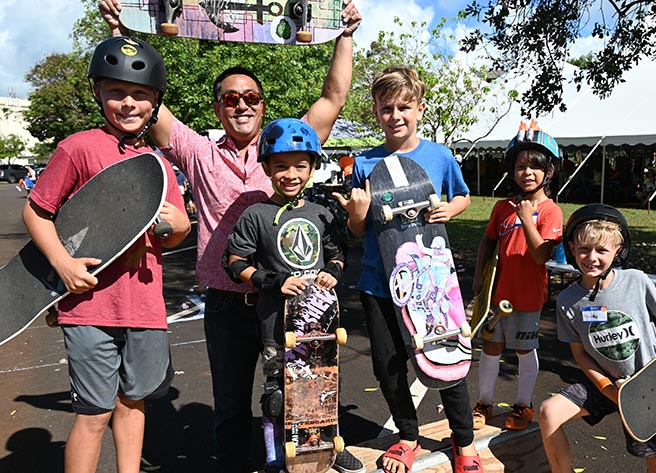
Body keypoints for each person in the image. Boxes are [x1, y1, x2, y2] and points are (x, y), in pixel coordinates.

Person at [98, 2, 363, 472]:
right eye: (231, 98)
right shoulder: (198, 152)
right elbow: (150, 102)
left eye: (251, 98)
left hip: (290, 299)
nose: (242, 104)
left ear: (262, 105)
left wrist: (343, 33)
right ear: (218, 107)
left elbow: (332, 99)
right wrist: (125, 32)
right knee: (231, 404)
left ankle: (314, 460)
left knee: (302, 392)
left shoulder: (286, 148)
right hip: (225, 300)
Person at [21, 36, 191, 473]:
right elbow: (37, 212)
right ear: (98, 92)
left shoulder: (158, 162)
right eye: (116, 92)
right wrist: (62, 263)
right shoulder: (77, 148)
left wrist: (177, 226)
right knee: (94, 412)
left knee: (134, 402)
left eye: (140, 94)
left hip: (146, 306)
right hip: (90, 306)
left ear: (155, 101)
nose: (128, 103)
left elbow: (176, 232)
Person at [334, 67, 483, 473]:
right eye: (386, 108)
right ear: (376, 113)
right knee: (388, 364)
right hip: (378, 283)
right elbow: (357, 228)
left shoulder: (439, 156)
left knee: (447, 353)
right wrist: (358, 216)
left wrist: (450, 208)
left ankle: (464, 440)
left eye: (404, 107)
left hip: (431, 282)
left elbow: (464, 196)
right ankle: (407, 435)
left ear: (419, 108)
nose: (395, 115)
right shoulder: (364, 164)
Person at [538, 204, 656, 473]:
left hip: (650, 383)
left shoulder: (636, 281)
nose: (591, 257)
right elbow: (581, 353)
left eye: (602, 250)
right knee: (549, 412)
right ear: (571, 248)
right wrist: (608, 389)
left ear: (617, 252)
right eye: (584, 249)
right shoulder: (567, 301)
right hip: (607, 382)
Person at [224, 118, 346, 472]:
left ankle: (331, 446)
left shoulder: (323, 214)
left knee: (326, 384)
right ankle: (276, 454)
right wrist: (273, 282)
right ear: (266, 167)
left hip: (321, 321)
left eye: (300, 166)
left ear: (312, 168)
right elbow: (235, 263)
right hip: (277, 323)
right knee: (279, 393)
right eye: (280, 166)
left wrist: (333, 272)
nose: (290, 174)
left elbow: (338, 254)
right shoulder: (256, 215)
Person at [470, 120, 563, 432]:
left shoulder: (551, 211)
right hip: (497, 295)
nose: (527, 173)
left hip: (527, 296)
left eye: (535, 167)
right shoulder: (501, 207)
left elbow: (541, 254)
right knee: (490, 348)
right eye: (521, 166)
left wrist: (527, 219)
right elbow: (488, 240)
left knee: (524, 350)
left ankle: (523, 404)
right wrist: (480, 276)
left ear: (549, 172)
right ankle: (484, 402)